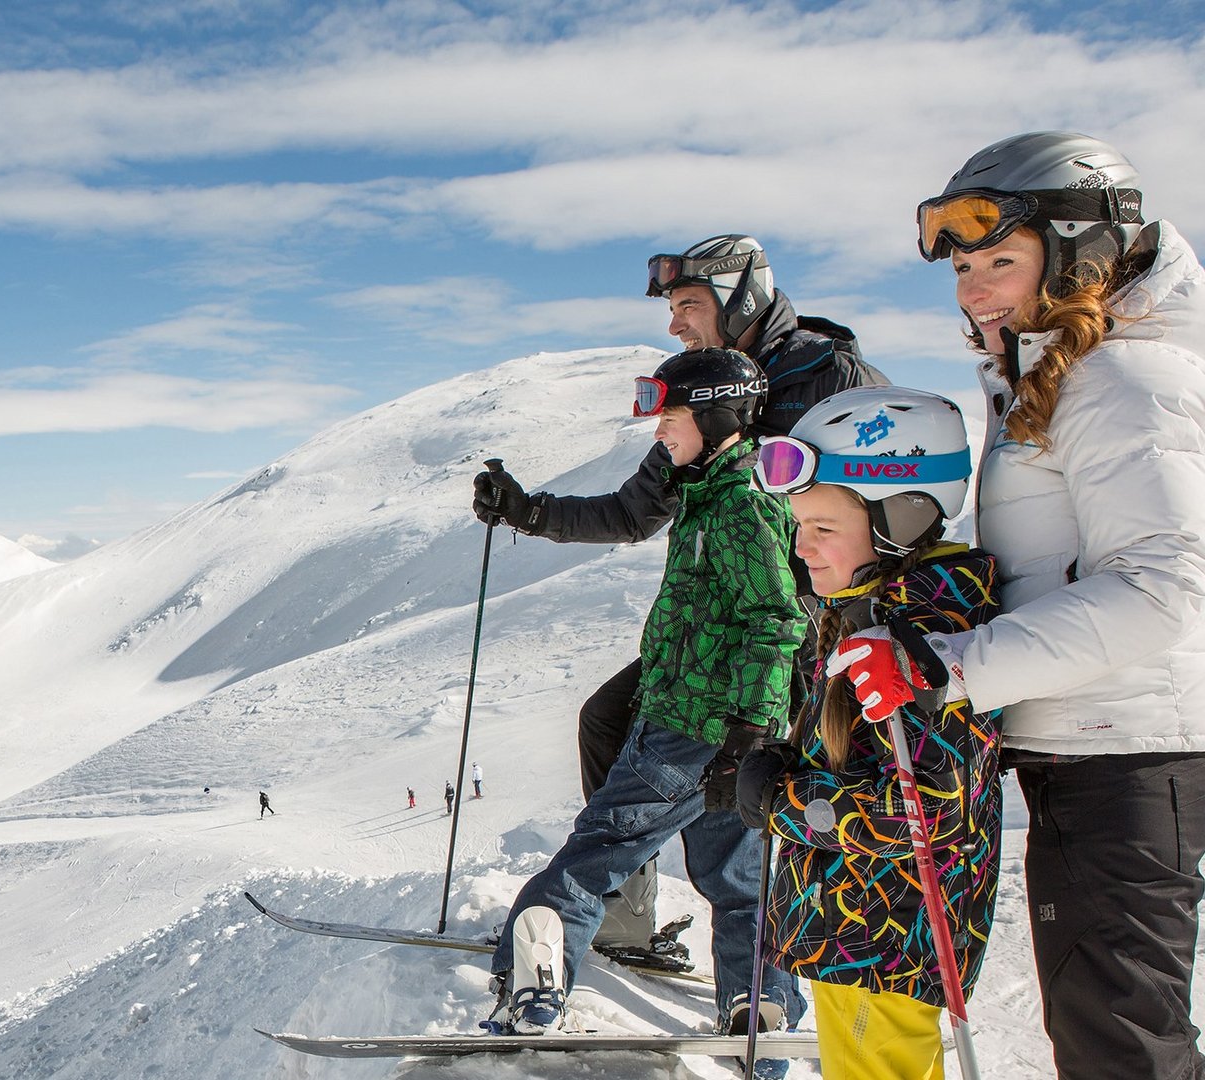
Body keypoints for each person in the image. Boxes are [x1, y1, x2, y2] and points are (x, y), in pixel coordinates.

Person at [834, 131, 1205, 1080]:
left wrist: (949, 666)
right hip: (1091, 741)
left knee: (1120, 1042)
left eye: (1001, 259)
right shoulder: (1056, 374)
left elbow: (1159, 593)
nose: (973, 286)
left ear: (1081, 253)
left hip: (1125, 752)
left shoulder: (1121, 380)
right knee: (1106, 1026)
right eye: (962, 265)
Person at [476, 234, 884, 955]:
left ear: (741, 299)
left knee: (759, 786)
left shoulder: (828, 375)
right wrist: (527, 511)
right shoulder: (704, 392)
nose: (674, 323)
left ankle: (783, 962)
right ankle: (630, 919)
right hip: (721, 632)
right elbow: (637, 508)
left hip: (797, 633)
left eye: (689, 304)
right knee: (610, 722)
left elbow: (883, 495)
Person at [475, 347, 805, 1041]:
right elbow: (626, 513)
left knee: (596, 851)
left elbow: (777, 621)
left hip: (687, 726)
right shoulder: (712, 488)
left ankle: (533, 982)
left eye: (672, 419)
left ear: (717, 418)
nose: (659, 434)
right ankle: (759, 1006)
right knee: (737, 877)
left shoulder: (739, 504)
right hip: (726, 728)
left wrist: (746, 730)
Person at [734, 386, 1000, 1078]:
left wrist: (785, 803)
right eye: (799, 524)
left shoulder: (923, 640)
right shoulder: (872, 611)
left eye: (823, 527)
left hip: (881, 944)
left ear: (901, 517)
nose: (802, 546)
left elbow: (925, 816)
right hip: (860, 934)